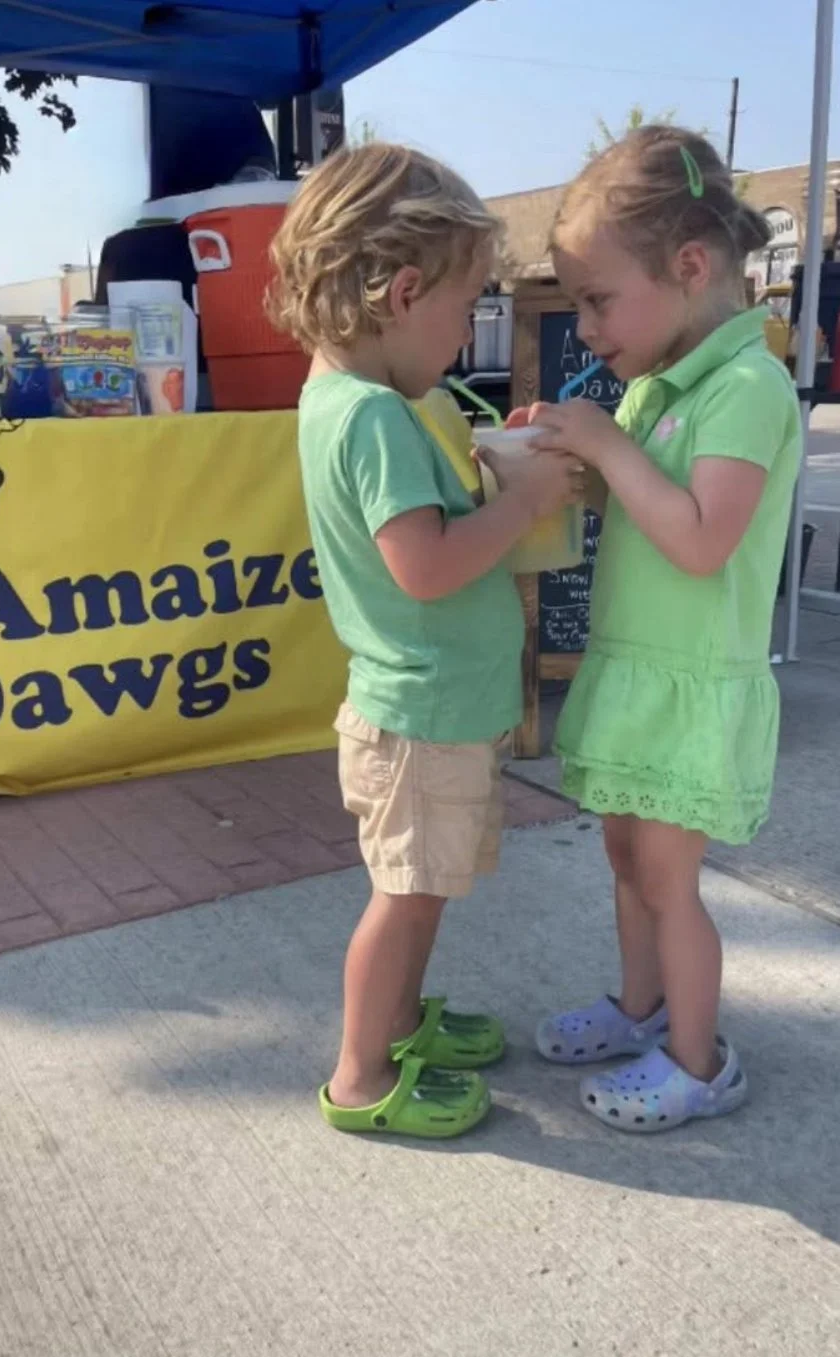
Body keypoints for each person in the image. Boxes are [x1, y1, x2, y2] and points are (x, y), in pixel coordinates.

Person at [268, 143, 581, 1138]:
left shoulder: (358, 403)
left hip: (434, 709)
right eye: (467, 310)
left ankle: (400, 1021)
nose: (466, 335)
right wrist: (525, 496)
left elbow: (424, 530)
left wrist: (494, 470)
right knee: (402, 895)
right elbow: (428, 565)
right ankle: (360, 1077)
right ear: (403, 293)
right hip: (418, 718)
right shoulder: (372, 419)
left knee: (424, 884)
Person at [518, 126, 799, 1132]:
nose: (585, 325)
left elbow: (699, 540)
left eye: (598, 299)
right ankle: (641, 1010)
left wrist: (605, 442)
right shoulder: (654, 387)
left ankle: (698, 1057)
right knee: (628, 863)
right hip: (636, 669)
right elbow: (642, 508)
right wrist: (572, 467)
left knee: (672, 882)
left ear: (689, 267)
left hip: (692, 684)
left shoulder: (746, 386)